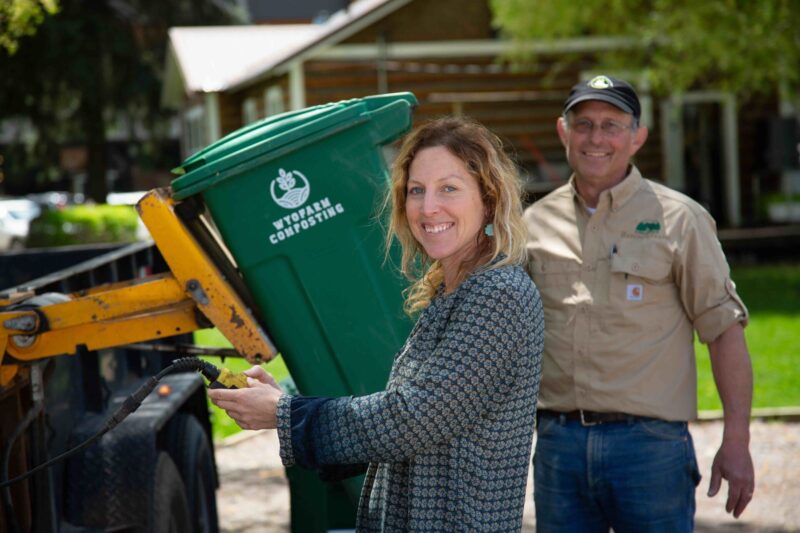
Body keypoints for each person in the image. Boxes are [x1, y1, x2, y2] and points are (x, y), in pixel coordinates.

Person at [209, 117, 545, 531]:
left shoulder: (499, 294)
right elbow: (410, 423)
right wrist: (285, 405)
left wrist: (287, 416)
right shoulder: (453, 291)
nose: (428, 207)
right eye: (416, 190)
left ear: (489, 199)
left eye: (449, 188)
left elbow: (413, 419)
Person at [524, 74, 755, 532]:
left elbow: (724, 331)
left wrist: (737, 440)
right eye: (584, 124)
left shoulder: (680, 219)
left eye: (612, 125)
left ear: (638, 137)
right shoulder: (532, 223)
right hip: (558, 446)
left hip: (650, 448)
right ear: (563, 131)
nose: (596, 138)